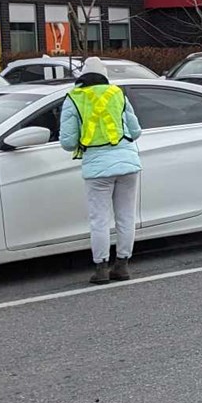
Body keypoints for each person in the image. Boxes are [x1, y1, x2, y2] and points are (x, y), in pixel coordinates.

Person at [58, 58, 143, 284]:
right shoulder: (117, 94)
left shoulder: (74, 98)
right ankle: (122, 265)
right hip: (128, 163)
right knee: (126, 216)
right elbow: (135, 131)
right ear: (105, 76)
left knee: (100, 220)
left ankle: (101, 269)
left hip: (97, 168)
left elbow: (67, 142)